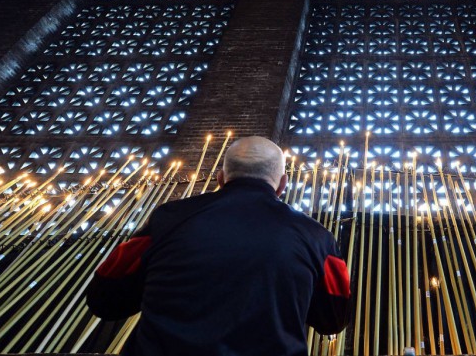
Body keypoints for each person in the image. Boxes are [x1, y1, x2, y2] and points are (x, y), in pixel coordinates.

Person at [86, 136, 351, 356]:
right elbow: (334, 319)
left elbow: (104, 298)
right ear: (283, 184)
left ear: (221, 177)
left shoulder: (169, 219)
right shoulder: (316, 236)